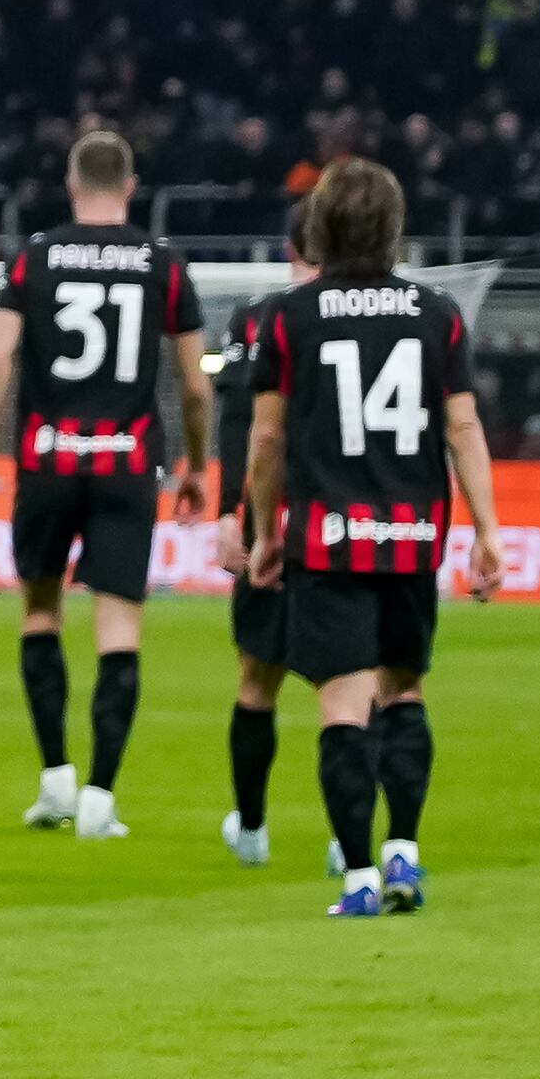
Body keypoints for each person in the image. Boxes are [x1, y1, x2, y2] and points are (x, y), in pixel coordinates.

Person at [245, 158, 504, 916]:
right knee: (406, 689)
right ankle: (406, 853)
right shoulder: (438, 314)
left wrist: (265, 532)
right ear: (395, 229)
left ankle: (358, 878)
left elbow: (266, 440)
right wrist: (488, 529)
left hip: (328, 541)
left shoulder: (288, 317)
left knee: (342, 707)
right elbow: (462, 425)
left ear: (320, 226)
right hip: (412, 535)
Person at [0, 130, 208, 840]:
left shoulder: (35, 257)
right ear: (130, 187)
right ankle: (100, 796)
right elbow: (194, 382)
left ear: (71, 183)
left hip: (48, 463)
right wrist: (196, 466)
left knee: (40, 610)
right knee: (119, 625)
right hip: (128, 466)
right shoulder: (164, 263)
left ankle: (55, 779)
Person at [214, 203, 320, 866]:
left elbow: (244, 426)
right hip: (352, 525)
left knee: (257, 681)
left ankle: (251, 829)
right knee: (356, 688)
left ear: (289, 247)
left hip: (274, 524)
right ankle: (350, 841)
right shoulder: (389, 316)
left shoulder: (259, 318)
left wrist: (239, 516)